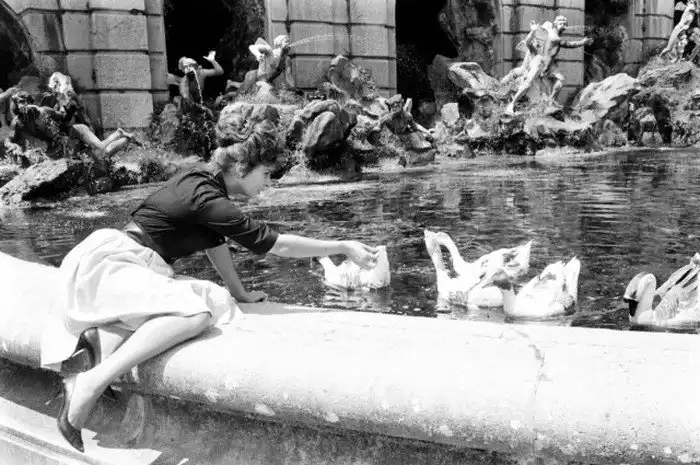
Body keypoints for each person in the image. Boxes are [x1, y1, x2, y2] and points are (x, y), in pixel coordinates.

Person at [40, 108, 380, 453]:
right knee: (195, 313)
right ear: (242, 167)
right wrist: (341, 246)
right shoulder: (210, 199)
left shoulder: (204, 180)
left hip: (120, 259)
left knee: (218, 300)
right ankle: (89, 383)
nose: (267, 183)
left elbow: (214, 242)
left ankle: (102, 340)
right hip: (114, 266)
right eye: (265, 173)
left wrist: (239, 292)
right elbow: (276, 244)